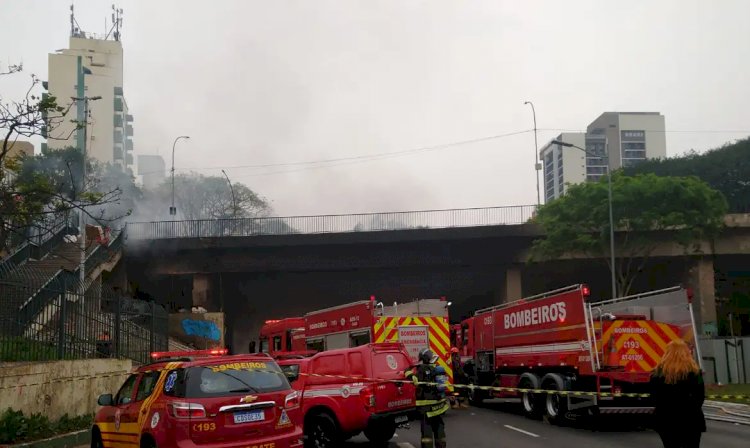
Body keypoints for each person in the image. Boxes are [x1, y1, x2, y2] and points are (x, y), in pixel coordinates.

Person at [649, 339, 706, 448]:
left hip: (665, 420)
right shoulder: (696, 374)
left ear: (667, 353)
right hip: (691, 420)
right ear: (686, 353)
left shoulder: (656, 375)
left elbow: (654, 398)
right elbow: (700, 396)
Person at [405, 348, 450, 448]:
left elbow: (414, 380)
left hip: (427, 408)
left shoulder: (422, 370)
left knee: (427, 432)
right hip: (439, 407)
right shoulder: (437, 368)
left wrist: (408, 370)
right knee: (439, 429)